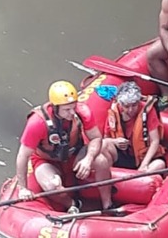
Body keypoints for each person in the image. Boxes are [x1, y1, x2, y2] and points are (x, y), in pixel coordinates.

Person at [13, 80, 114, 212]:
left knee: (101, 161)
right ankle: (73, 204)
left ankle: (108, 204)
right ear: (55, 107)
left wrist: (88, 159)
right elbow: (23, 155)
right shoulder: (37, 123)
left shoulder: (82, 112)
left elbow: (96, 138)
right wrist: (23, 188)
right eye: (67, 109)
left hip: (74, 153)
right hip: (47, 160)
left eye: (73, 107)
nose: (72, 113)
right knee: (51, 185)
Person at [101, 81, 165, 172]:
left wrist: (144, 165)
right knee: (104, 145)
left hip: (144, 157)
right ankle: (112, 174)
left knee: (159, 165)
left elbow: (155, 141)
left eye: (134, 105)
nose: (130, 110)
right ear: (120, 104)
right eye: (126, 106)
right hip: (125, 155)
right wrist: (115, 141)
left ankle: (137, 177)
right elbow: (106, 139)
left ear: (138, 101)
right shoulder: (114, 113)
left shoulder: (148, 111)